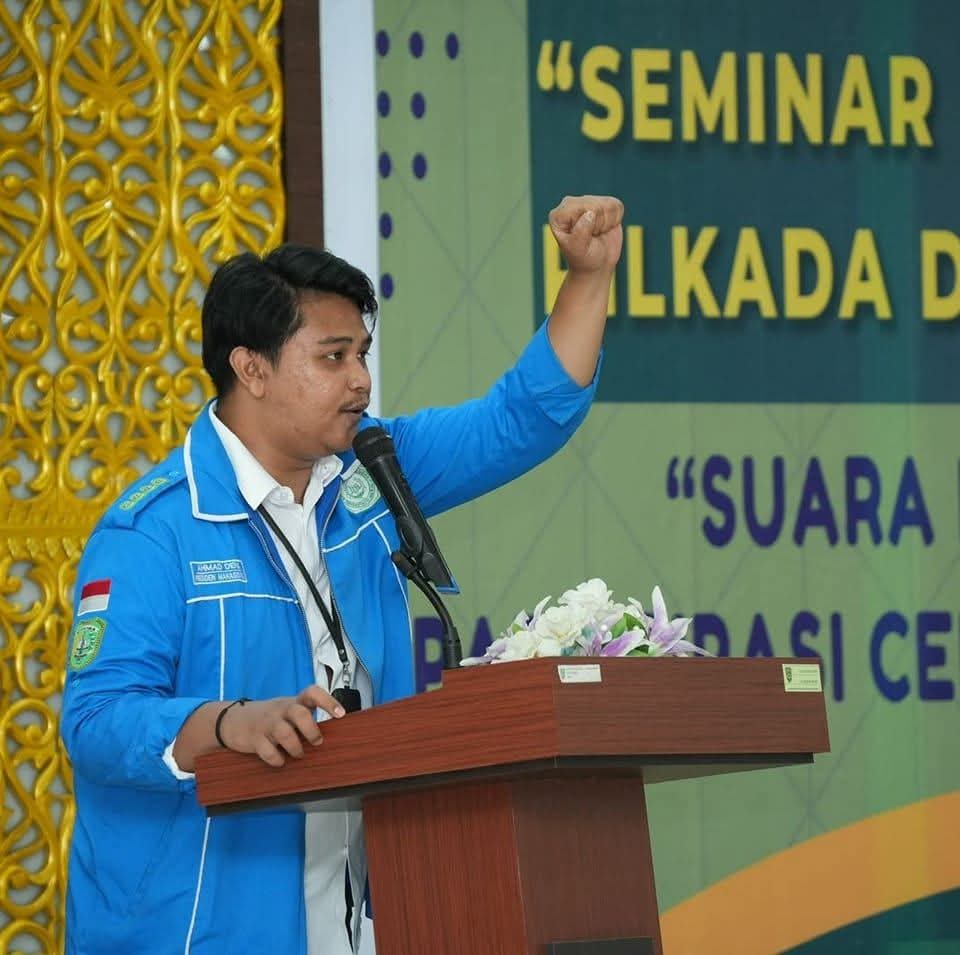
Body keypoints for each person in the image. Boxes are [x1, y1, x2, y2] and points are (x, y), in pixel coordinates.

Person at [61, 194, 624, 954]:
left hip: (358, 918)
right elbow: (96, 722)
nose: (360, 380)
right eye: (334, 357)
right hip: (198, 927)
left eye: (362, 353)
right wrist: (229, 724)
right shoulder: (154, 531)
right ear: (251, 368)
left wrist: (589, 276)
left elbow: (521, 419)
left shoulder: (373, 472)